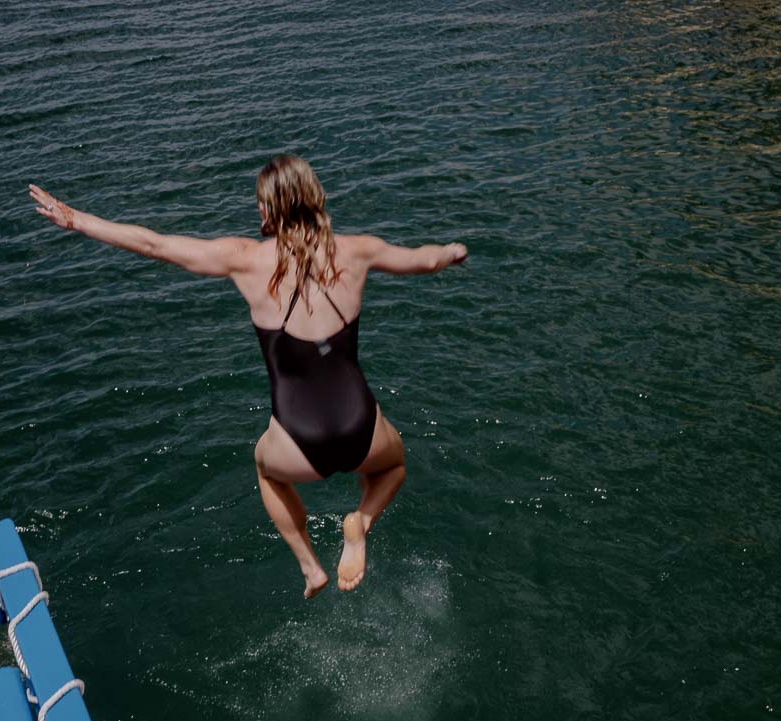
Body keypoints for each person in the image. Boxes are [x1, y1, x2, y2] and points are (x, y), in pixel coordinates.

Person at [29, 155, 467, 598]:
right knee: (392, 466)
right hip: (359, 424)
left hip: (298, 438)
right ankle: (362, 523)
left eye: (261, 204)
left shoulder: (246, 260)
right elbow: (423, 260)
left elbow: (155, 245)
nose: (258, 211)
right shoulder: (355, 250)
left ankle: (310, 566)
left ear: (275, 206)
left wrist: (77, 220)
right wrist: (451, 253)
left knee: (267, 471)